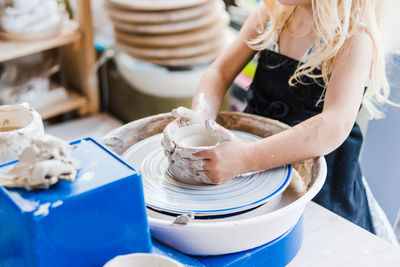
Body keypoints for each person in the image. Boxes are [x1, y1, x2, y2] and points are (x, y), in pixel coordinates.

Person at [170, 0, 396, 234]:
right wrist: (200, 120)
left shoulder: (354, 37)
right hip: (249, 154)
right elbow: (219, 71)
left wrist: (245, 159)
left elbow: (334, 124)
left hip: (318, 174)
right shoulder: (271, 15)